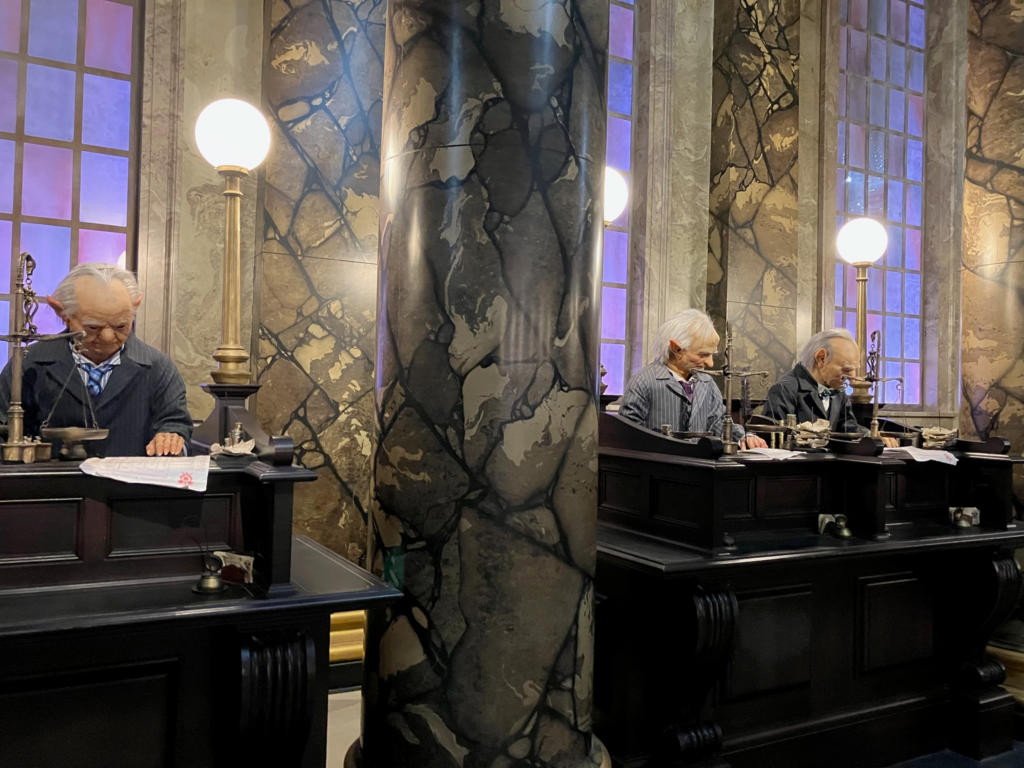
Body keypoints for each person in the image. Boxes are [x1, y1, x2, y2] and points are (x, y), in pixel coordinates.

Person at [0, 263, 192, 457]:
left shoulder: (158, 367)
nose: (108, 337)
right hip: (51, 484)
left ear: (135, 307)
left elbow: (175, 422)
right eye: (93, 327)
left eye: (121, 326)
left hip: (129, 485)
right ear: (63, 314)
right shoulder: (29, 363)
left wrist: (171, 438)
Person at [619, 310, 768, 449]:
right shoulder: (644, 382)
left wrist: (743, 437)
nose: (710, 363)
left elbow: (717, 423)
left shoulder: (706, 383)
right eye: (703, 355)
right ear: (677, 350)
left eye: (712, 355)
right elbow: (627, 435)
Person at [761, 328, 898, 447]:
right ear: (821, 358)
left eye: (855, 370)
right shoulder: (784, 389)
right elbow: (777, 440)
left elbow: (847, 426)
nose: (853, 379)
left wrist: (870, 435)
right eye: (847, 369)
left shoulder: (837, 389)